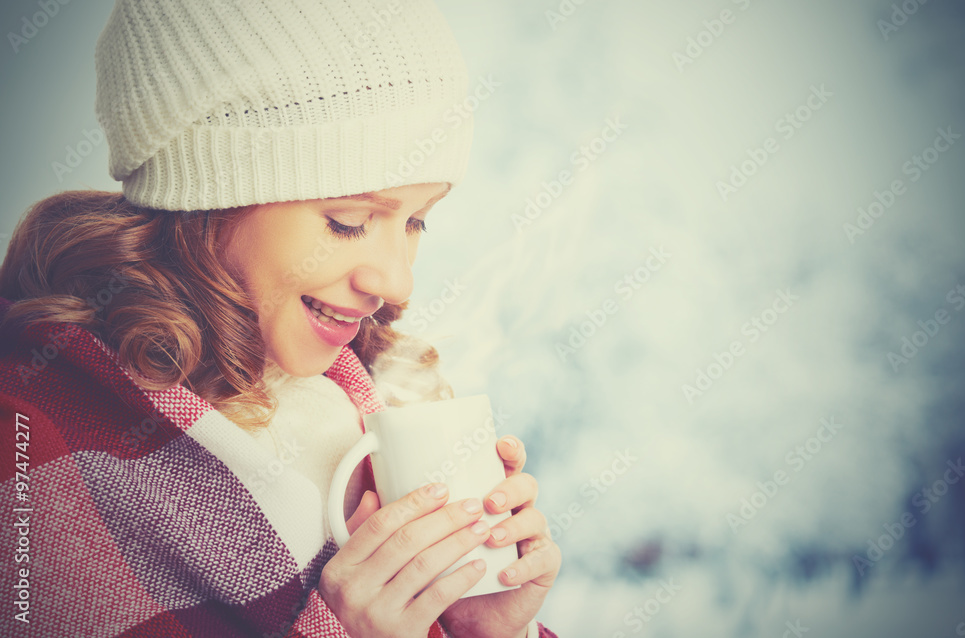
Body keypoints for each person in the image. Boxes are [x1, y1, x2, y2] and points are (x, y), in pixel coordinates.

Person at [0, 1, 561, 636]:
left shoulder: (367, 395)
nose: (396, 283)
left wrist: (478, 628)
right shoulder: (27, 444)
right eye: (348, 222)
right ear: (207, 199)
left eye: (415, 221)